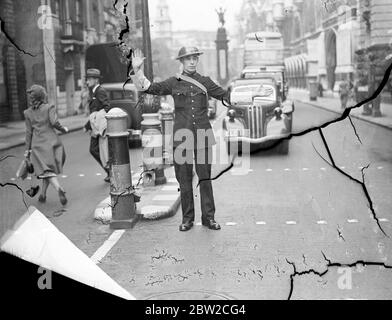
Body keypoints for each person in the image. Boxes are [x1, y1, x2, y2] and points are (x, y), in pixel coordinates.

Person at [131, 47, 231, 232]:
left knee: (205, 178)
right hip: (181, 137)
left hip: (202, 135)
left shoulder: (205, 82)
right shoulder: (173, 82)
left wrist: (240, 95)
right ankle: (187, 219)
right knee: (184, 180)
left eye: (194, 58)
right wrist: (138, 71)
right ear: (182, 62)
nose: (192, 62)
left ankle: (209, 218)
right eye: (188, 59)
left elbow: (225, 95)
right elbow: (150, 88)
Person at [24, 85, 68, 205]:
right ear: (43, 96)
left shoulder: (27, 113)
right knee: (48, 171)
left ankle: (57, 189)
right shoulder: (49, 107)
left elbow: (29, 134)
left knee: (46, 172)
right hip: (53, 143)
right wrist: (63, 129)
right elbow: (54, 122)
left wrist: (27, 152)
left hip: (38, 147)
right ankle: (45, 194)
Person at [83, 68, 111, 182]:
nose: (87, 81)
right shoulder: (94, 91)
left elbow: (107, 107)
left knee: (95, 150)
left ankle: (109, 170)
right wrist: (87, 125)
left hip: (100, 127)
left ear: (95, 80)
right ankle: (109, 170)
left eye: (89, 79)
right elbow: (94, 111)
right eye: (87, 79)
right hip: (95, 127)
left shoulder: (100, 91)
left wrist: (97, 120)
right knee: (96, 150)